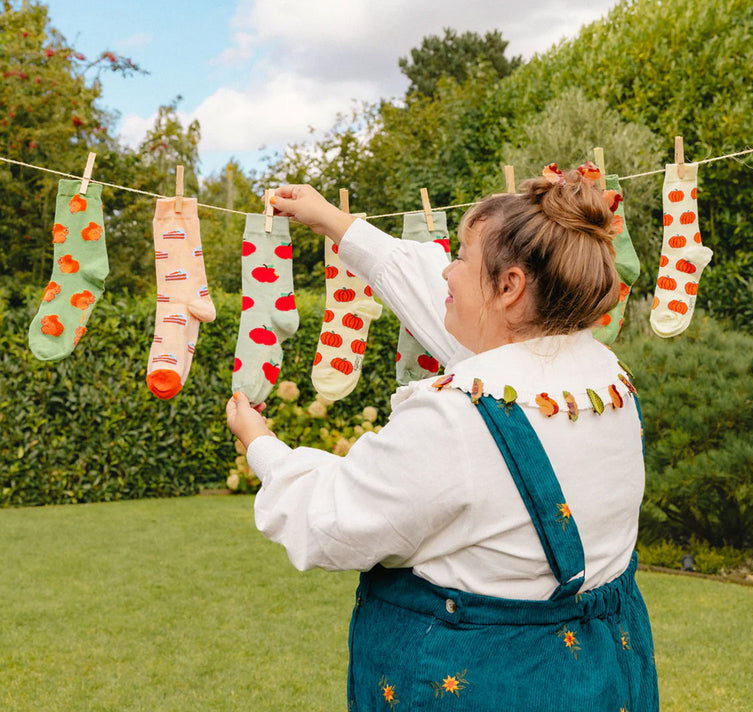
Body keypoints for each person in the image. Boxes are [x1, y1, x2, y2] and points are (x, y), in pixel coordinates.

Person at [226, 173, 659, 711]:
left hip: (478, 681)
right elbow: (434, 291)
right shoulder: (605, 377)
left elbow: (330, 521)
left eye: (460, 256)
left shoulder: (457, 421)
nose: (446, 271)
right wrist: (334, 223)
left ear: (510, 287)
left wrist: (262, 445)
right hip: (602, 675)